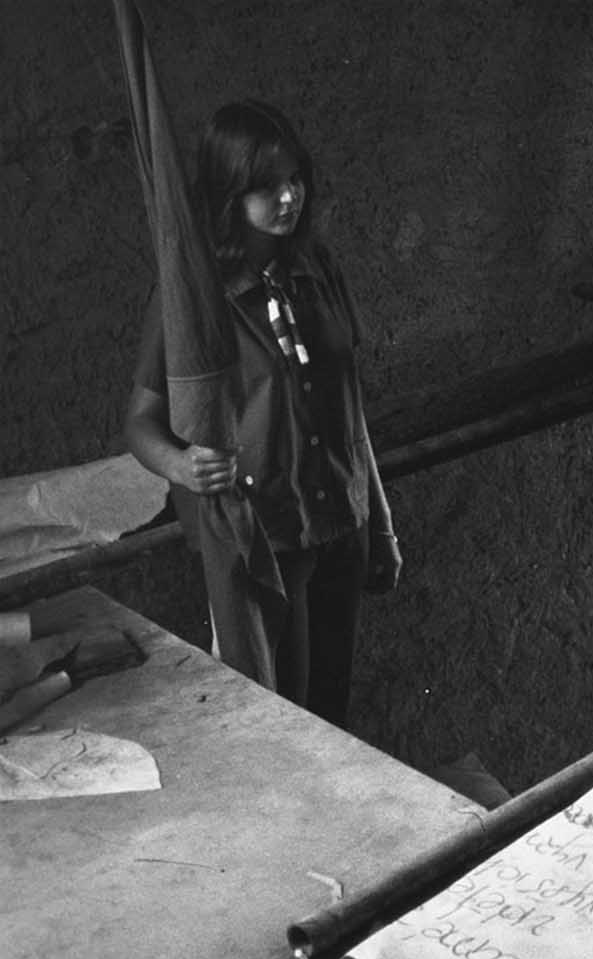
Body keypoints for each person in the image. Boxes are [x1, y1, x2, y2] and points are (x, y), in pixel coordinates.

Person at [125, 100, 400, 725]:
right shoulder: (193, 296)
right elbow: (139, 420)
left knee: (335, 711)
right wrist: (181, 466)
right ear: (229, 193)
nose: (288, 197)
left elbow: (350, 408)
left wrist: (379, 522)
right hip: (270, 538)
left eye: (294, 177)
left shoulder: (317, 267)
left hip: (342, 520)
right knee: (289, 716)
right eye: (266, 185)